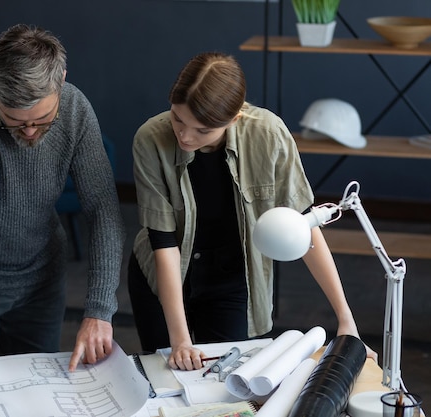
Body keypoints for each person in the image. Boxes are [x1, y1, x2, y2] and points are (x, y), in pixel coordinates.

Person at [127, 52, 377, 371]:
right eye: (177, 119)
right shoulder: (150, 138)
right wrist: (179, 341)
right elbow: (164, 243)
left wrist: (346, 322)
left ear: (235, 117)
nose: (185, 136)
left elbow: (304, 227)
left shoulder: (268, 134)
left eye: (202, 130)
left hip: (231, 275)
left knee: (227, 378)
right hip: (162, 272)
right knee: (165, 375)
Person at [0, 24, 125, 407]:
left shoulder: (77, 109)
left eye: (42, 119)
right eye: (14, 121)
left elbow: (103, 211)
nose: (30, 131)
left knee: (34, 401)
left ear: (61, 81)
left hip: (40, 282)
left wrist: (100, 308)